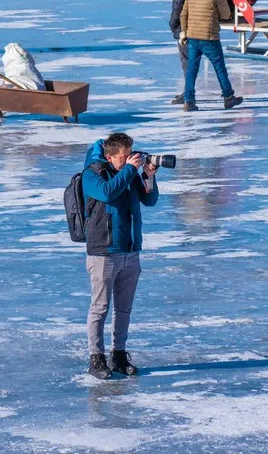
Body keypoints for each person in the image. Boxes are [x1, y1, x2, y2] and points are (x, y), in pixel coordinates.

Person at [81, 132, 159, 379]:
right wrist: (129, 171)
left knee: (124, 308)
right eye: (123, 157)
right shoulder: (91, 174)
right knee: (100, 308)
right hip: (104, 252)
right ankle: (96, 358)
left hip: (130, 251)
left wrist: (148, 178)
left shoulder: (130, 173)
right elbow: (107, 193)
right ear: (108, 156)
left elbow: (150, 200)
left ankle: (119, 355)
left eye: (130, 154)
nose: (129, 160)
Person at [179, 0, 244, 111]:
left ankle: (188, 101)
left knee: (191, 70)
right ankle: (228, 97)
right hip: (209, 38)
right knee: (219, 67)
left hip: (192, 36)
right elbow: (226, 15)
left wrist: (184, 32)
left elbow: (183, 14)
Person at [168, 0, 197, 104]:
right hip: (198, 28)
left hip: (184, 31)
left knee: (187, 62)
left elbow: (177, 10)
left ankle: (188, 94)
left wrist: (172, 26)